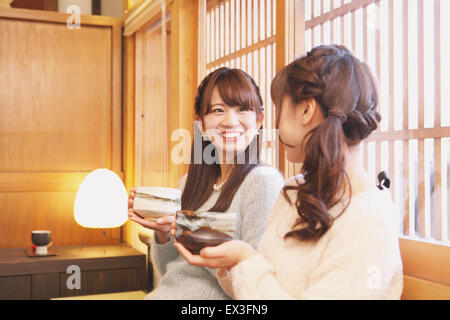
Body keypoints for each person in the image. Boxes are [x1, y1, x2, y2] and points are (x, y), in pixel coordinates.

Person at [174, 45, 404, 299]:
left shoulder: (368, 221)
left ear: (305, 110)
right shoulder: (294, 191)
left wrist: (244, 258)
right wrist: (233, 261)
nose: (273, 123)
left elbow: (255, 274)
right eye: (218, 110)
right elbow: (257, 285)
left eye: (277, 107)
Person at [128, 67, 285, 299]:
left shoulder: (262, 182)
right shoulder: (188, 184)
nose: (230, 121)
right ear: (200, 123)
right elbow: (171, 270)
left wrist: (195, 235)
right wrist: (163, 233)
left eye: (242, 109)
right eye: (218, 110)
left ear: (259, 120)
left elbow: (255, 282)